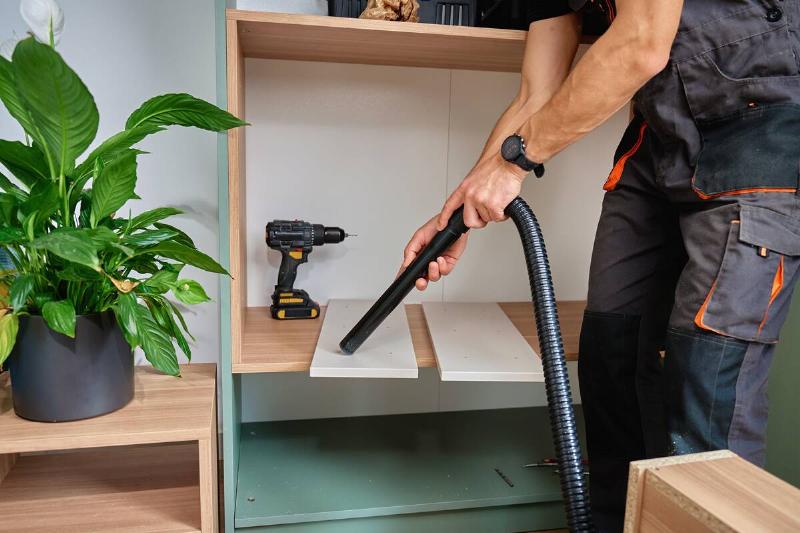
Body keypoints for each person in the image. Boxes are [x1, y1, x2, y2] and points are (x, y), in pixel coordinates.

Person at [400, 1, 800, 531]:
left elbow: (641, 42)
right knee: (611, 358)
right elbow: (534, 95)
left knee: (704, 392)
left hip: (760, 127)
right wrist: (462, 208)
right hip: (657, 144)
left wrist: (512, 164)